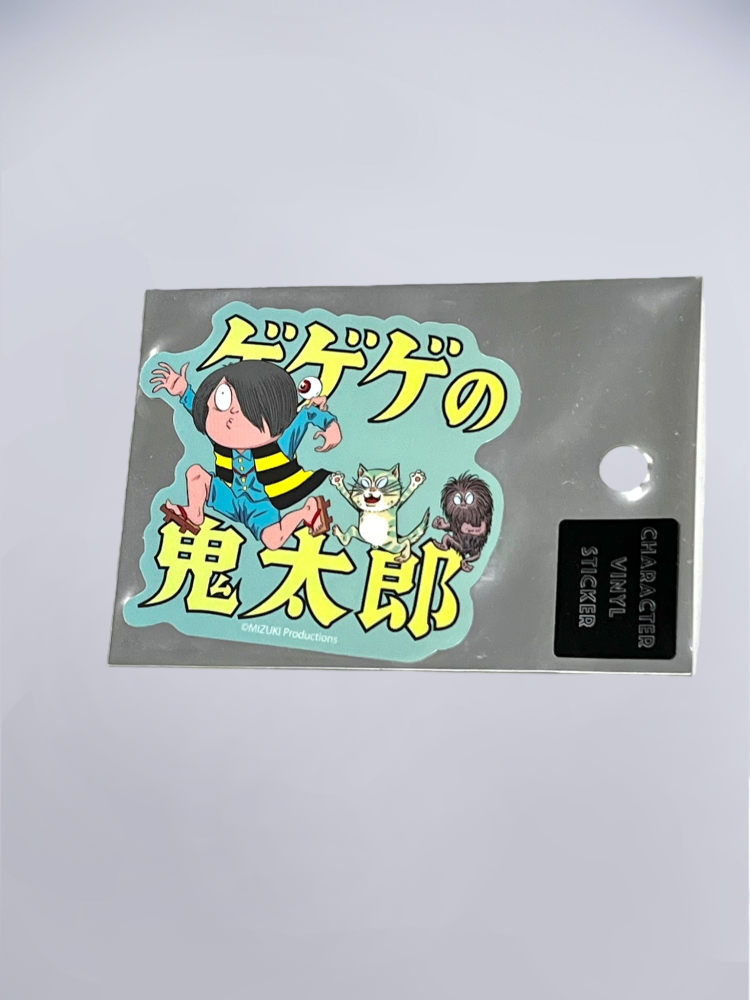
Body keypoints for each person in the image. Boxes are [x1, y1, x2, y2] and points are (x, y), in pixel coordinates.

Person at [150, 359, 342, 549]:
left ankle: (307, 511)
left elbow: (307, 414)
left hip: (260, 506)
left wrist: (330, 425)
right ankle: (195, 513)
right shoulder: (224, 442)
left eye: (249, 409)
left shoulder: (281, 445)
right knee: (195, 474)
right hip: (228, 496)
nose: (231, 415)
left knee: (273, 541)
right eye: (222, 401)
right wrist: (184, 391)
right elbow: (201, 410)